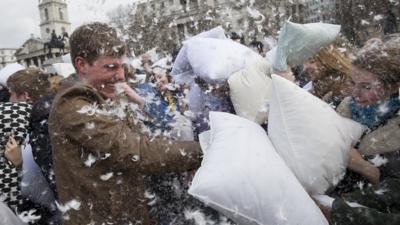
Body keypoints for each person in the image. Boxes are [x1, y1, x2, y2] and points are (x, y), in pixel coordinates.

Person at [48, 22, 202, 225]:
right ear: (81, 64)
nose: (121, 75)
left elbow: (146, 137)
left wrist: (139, 102)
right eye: (110, 67)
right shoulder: (72, 104)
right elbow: (134, 149)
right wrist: (203, 151)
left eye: (122, 66)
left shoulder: (103, 95)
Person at [320, 37, 400, 225]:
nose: (355, 93)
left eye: (366, 87)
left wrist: (365, 168)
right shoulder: (338, 107)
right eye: (352, 82)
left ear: (393, 86)